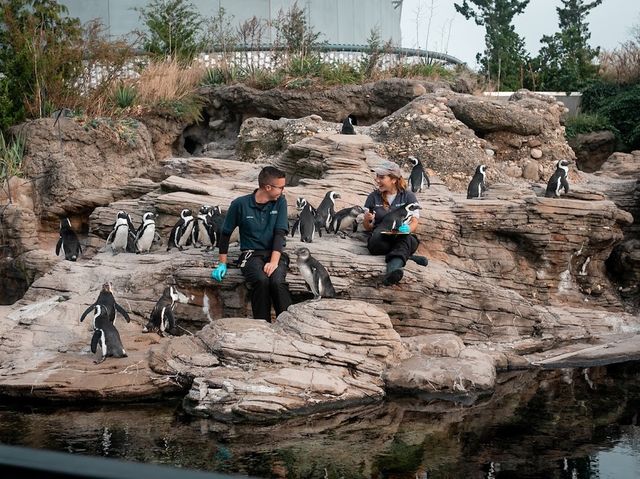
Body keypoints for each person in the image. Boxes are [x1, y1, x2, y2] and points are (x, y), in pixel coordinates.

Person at [211, 166, 292, 321]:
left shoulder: (280, 202)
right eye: (281, 187)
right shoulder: (240, 204)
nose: (283, 191)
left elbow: (279, 233)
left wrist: (274, 262)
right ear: (268, 187)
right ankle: (262, 324)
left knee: (276, 281)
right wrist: (222, 264)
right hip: (250, 254)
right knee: (261, 280)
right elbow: (225, 233)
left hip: (274, 253)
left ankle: (288, 322)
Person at [363, 160, 428, 286]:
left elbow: (415, 221)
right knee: (399, 245)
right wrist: (367, 219)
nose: (377, 180)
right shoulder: (373, 197)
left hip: (400, 237)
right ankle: (403, 260)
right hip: (380, 240)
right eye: (377, 176)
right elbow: (367, 227)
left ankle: (392, 273)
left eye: (381, 177)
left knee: (406, 239)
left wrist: (407, 229)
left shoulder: (408, 197)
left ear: (393, 179)